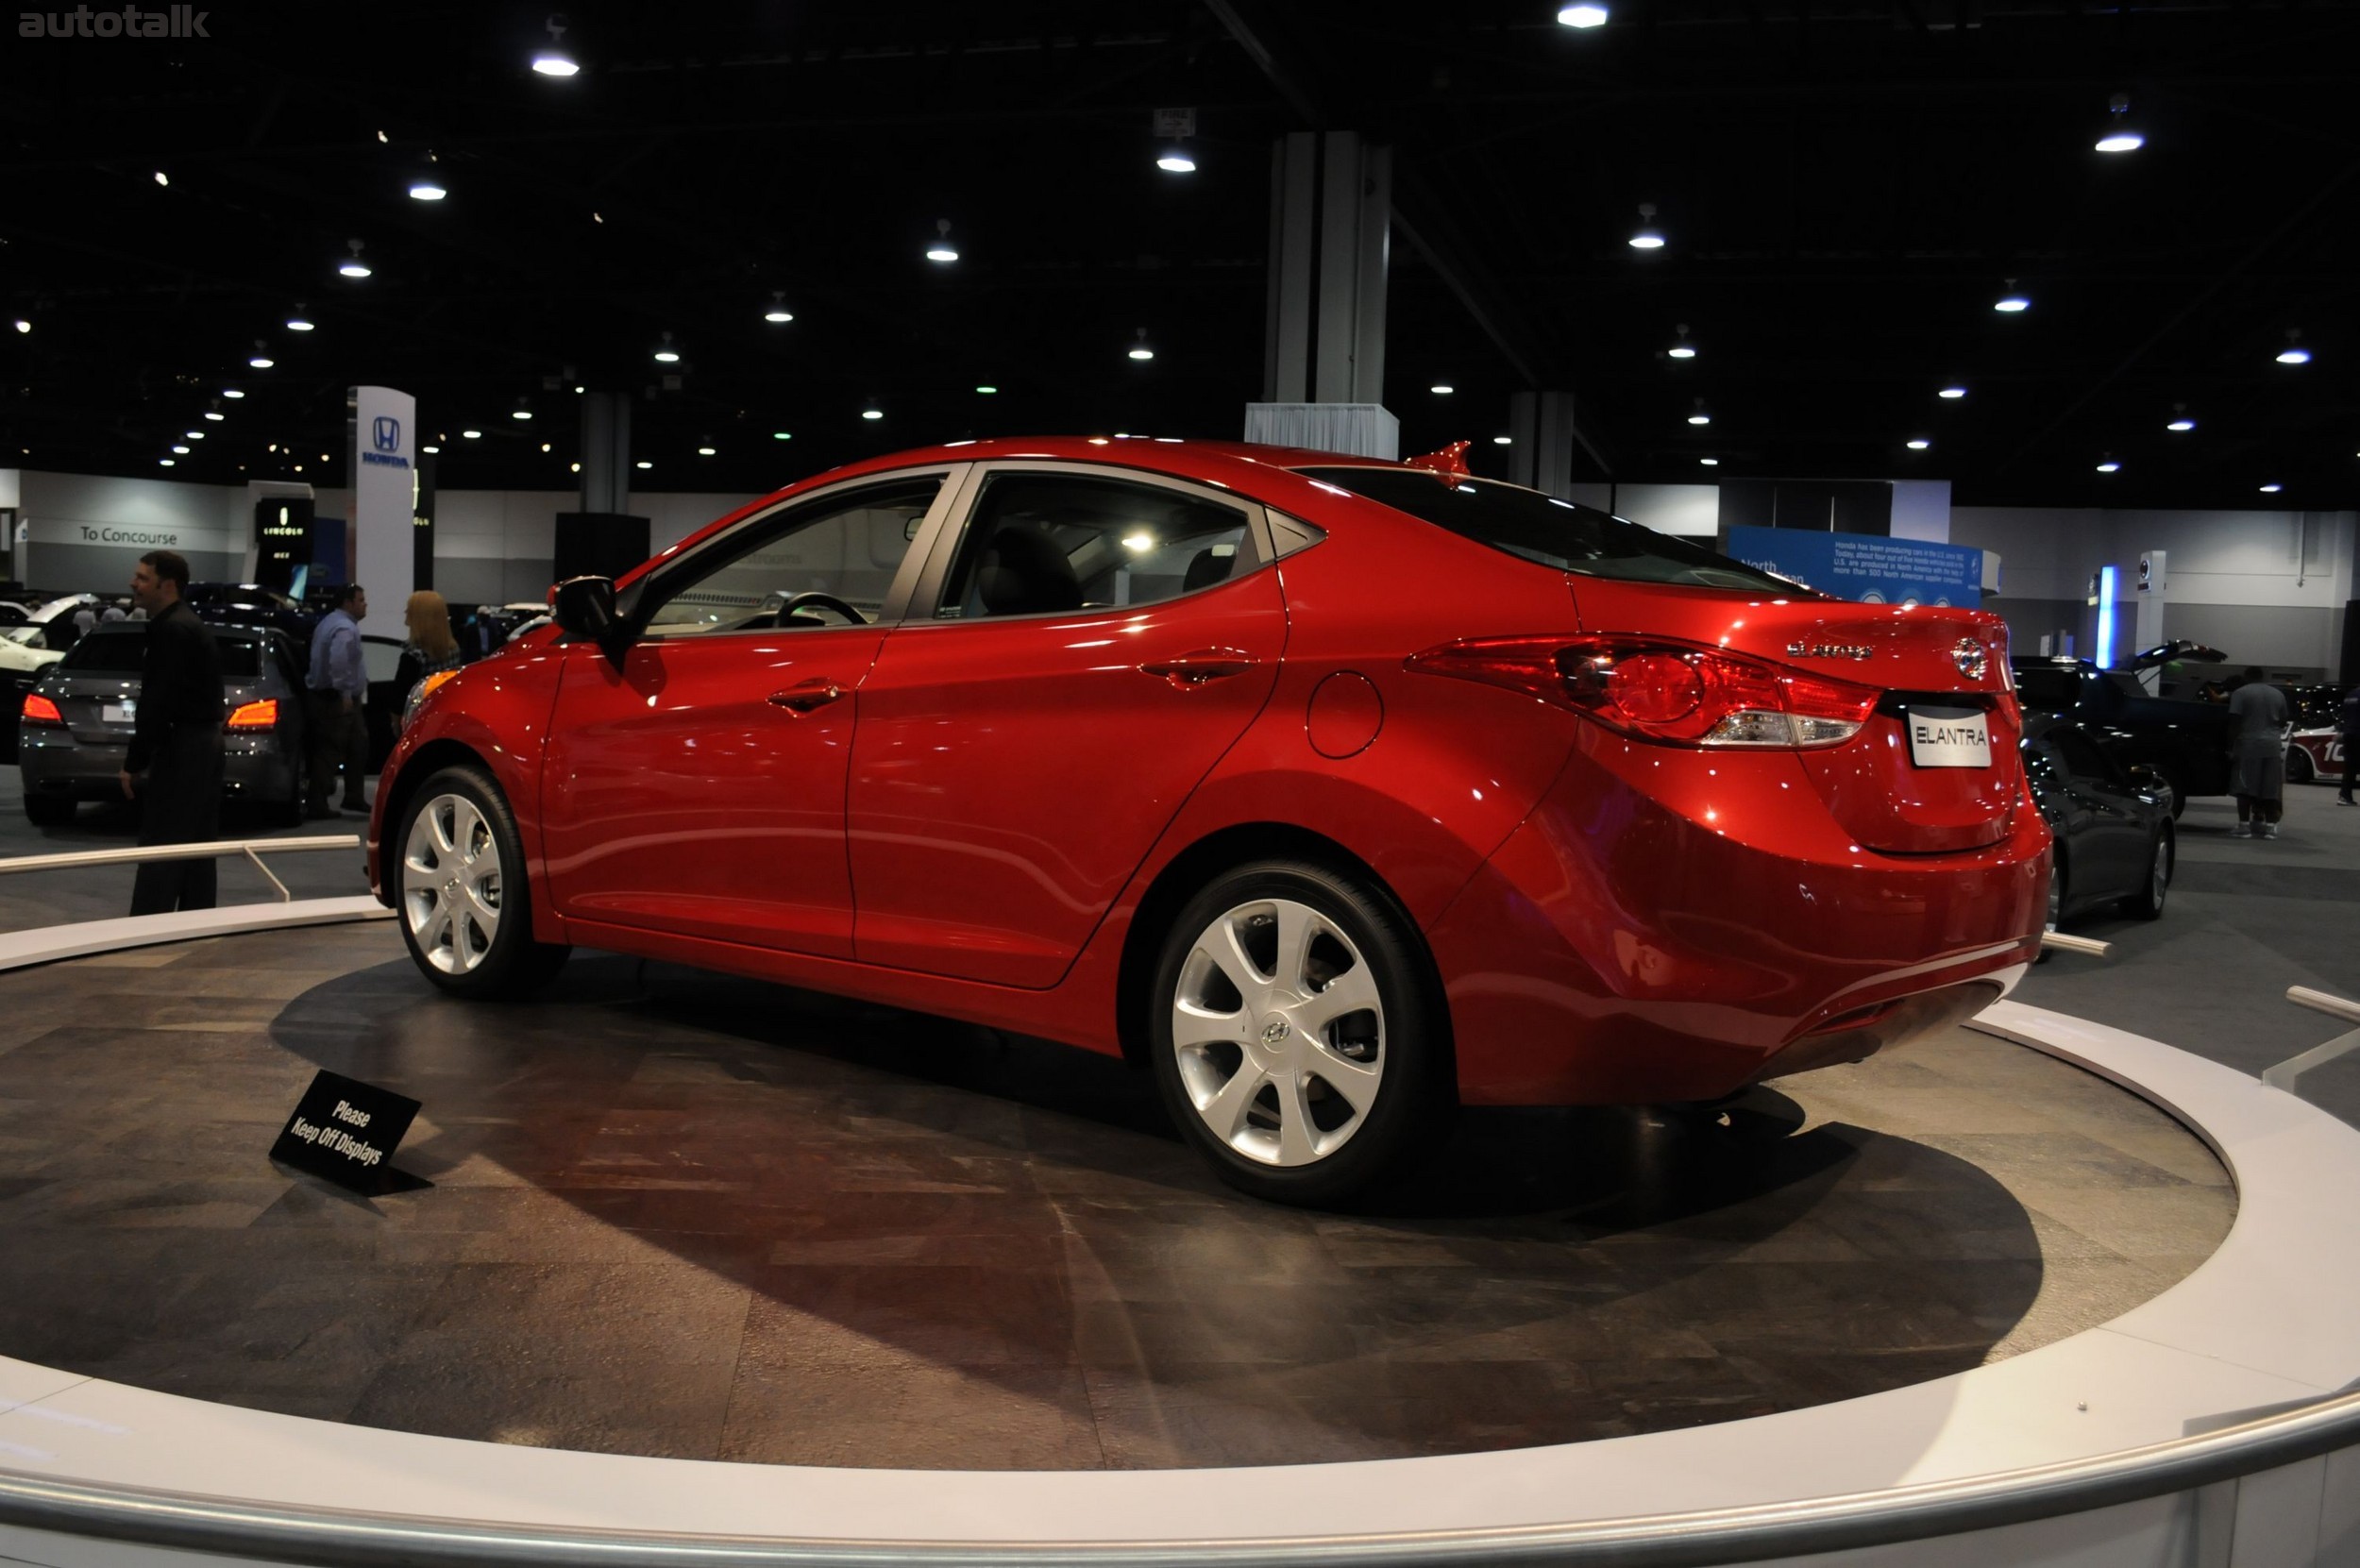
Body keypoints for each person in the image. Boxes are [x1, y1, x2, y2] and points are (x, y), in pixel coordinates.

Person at [121, 549, 225, 915]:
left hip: (184, 747)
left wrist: (134, 761)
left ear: (168, 585)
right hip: (201, 746)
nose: (134, 583)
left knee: (164, 843)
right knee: (196, 844)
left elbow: (156, 701)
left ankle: (147, 927)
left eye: (142, 578)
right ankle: (196, 921)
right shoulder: (185, 625)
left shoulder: (173, 630)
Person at [304, 582, 370, 818]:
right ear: (348, 603)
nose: (365, 605)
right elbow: (339, 662)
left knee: (357, 745)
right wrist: (344, 693)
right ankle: (317, 803)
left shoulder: (329, 622)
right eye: (361, 600)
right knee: (330, 750)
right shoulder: (344, 628)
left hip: (330, 697)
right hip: (336, 699)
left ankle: (353, 796)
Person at [2226, 666, 2291, 839]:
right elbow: (2284, 720)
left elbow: (2234, 721)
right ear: (2262, 677)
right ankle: (2270, 828)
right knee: (2270, 788)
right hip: (2272, 745)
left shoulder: (2240, 693)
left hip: (2249, 745)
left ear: (2247, 677)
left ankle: (2244, 827)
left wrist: (2230, 747)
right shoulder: (2277, 694)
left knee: (2245, 787)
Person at [398, 589, 464, 695]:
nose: (405, 612)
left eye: (410, 609)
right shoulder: (453, 649)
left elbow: (399, 701)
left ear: (419, 616)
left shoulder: (413, 655)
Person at [2337, 680, 2360, 807]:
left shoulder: (2350, 694)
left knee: (2350, 767)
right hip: (2358, 733)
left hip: (2348, 733)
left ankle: (2344, 795)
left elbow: (2344, 714)